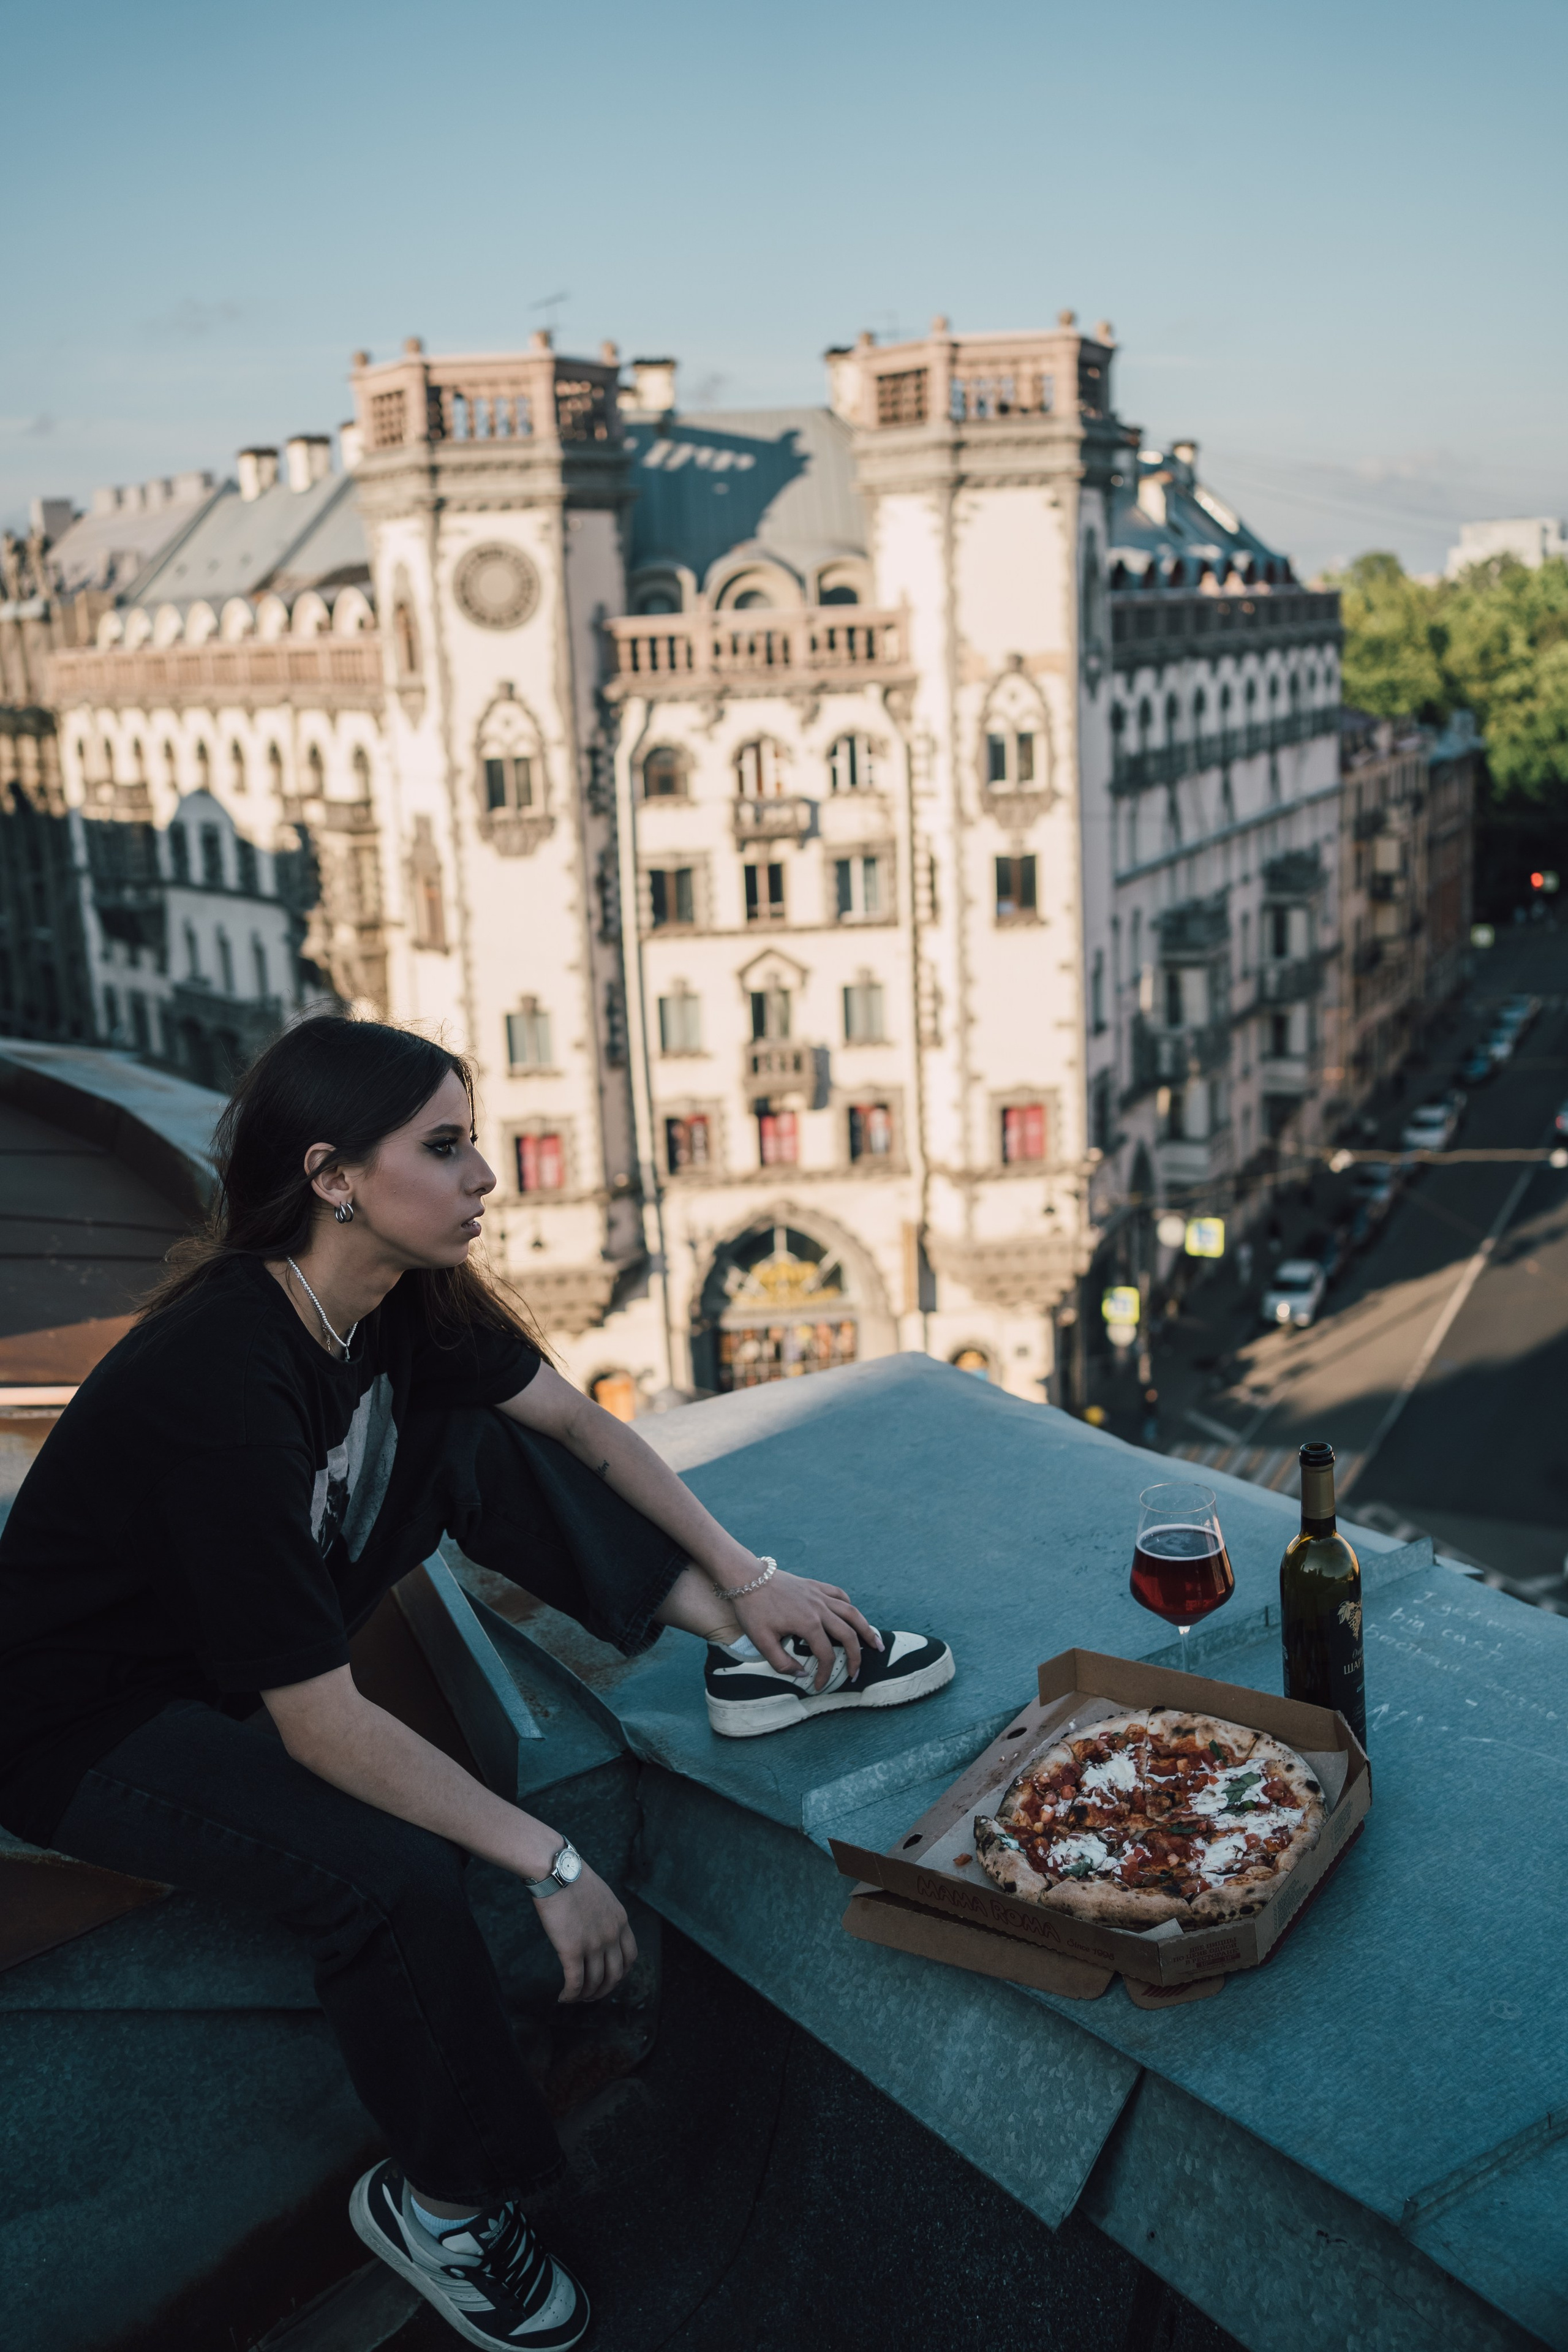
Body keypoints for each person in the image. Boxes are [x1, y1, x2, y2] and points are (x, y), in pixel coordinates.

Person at [0, 1017, 953, 2350]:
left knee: (470, 1438)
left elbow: (577, 1425)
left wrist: (751, 1584)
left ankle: (757, 1657)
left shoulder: (395, 1299)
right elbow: (324, 1727)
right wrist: (548, 1859)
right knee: (384, 1877)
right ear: (334, 1177)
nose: (486, 1176)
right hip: (81, 1718)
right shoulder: (223, 1381)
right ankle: (443, 2204)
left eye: (473, 1142)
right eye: (445, 1148)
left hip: (219, 1647)